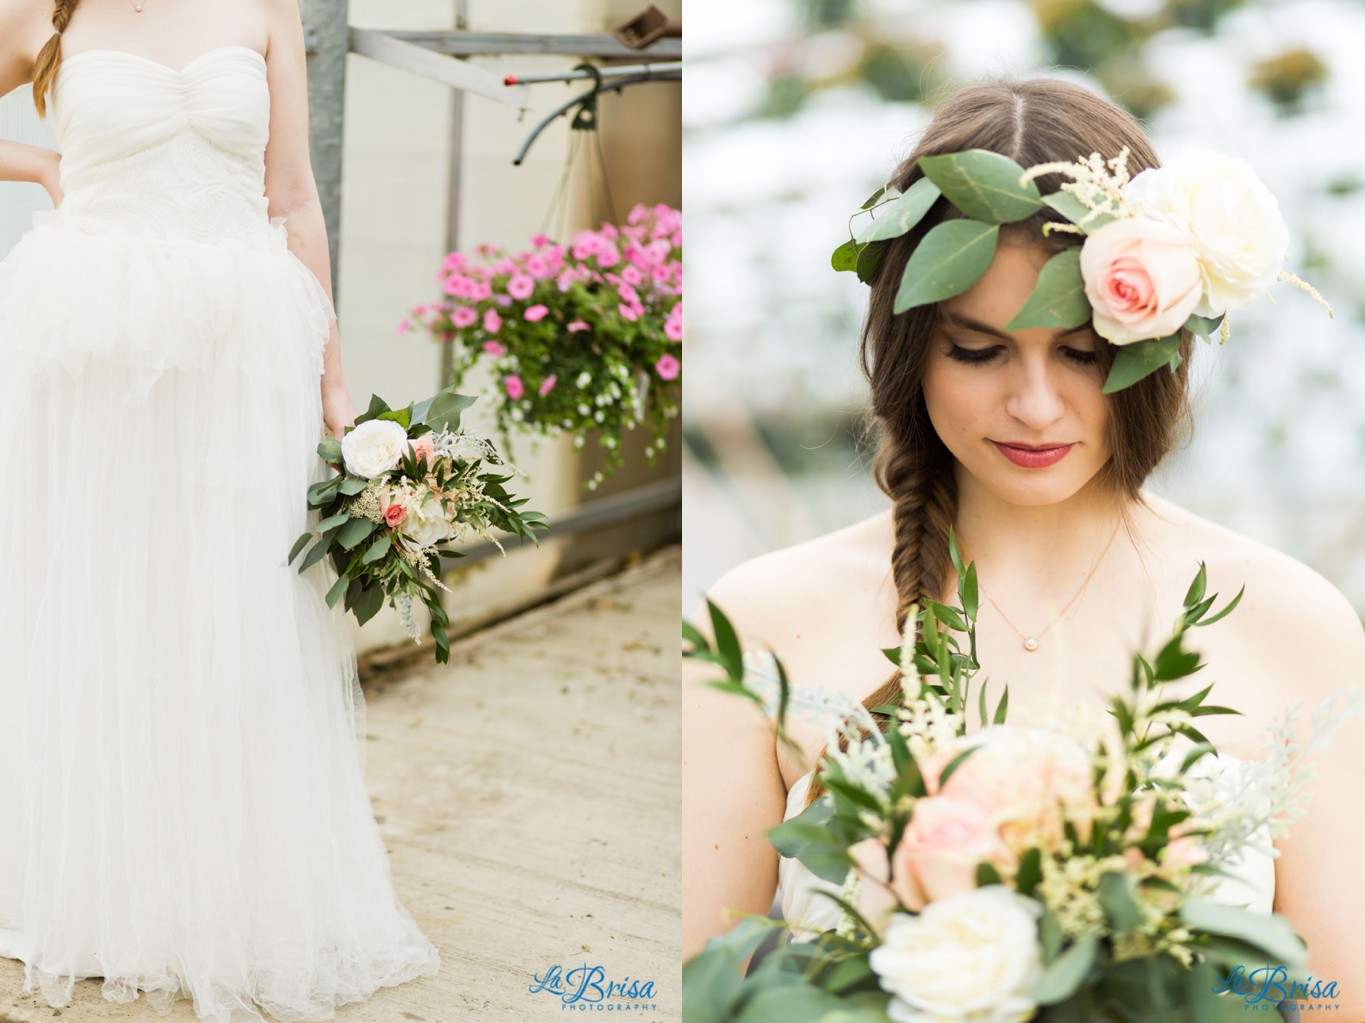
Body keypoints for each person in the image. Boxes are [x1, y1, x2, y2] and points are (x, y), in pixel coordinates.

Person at [682, 77, 1365, 1002]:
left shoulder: (1296, 626)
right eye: (977, 349)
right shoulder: (760, 623)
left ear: (1157, 342)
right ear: (909, 344)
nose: (1034, 406)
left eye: (1079, 352)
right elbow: (700, 989)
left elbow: (1335, 1000)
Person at [0, 0, 440, 1018]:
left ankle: (211, 890)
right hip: (89, 339)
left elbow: (294, 197)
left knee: (225, 612)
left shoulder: (265, 7)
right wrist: (42, 166)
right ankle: (91, 892)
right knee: (98, 604)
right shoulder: (43, 15)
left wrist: (336, 391)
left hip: (240, 347)